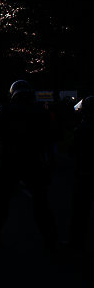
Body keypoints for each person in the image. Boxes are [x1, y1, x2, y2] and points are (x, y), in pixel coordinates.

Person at [0, 80, 58, 251]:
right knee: (41, 203)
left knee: (1, 201)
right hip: (33, 160)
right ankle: (50, 239)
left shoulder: (5, 110)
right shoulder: (41, 113)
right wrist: (49, 164)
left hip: (11, 160)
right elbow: (50, 139)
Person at [63, 97, 94, 251]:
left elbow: (72, 152)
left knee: (80, 211)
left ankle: (76, 241)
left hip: (85, 174)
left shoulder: (82, 130)